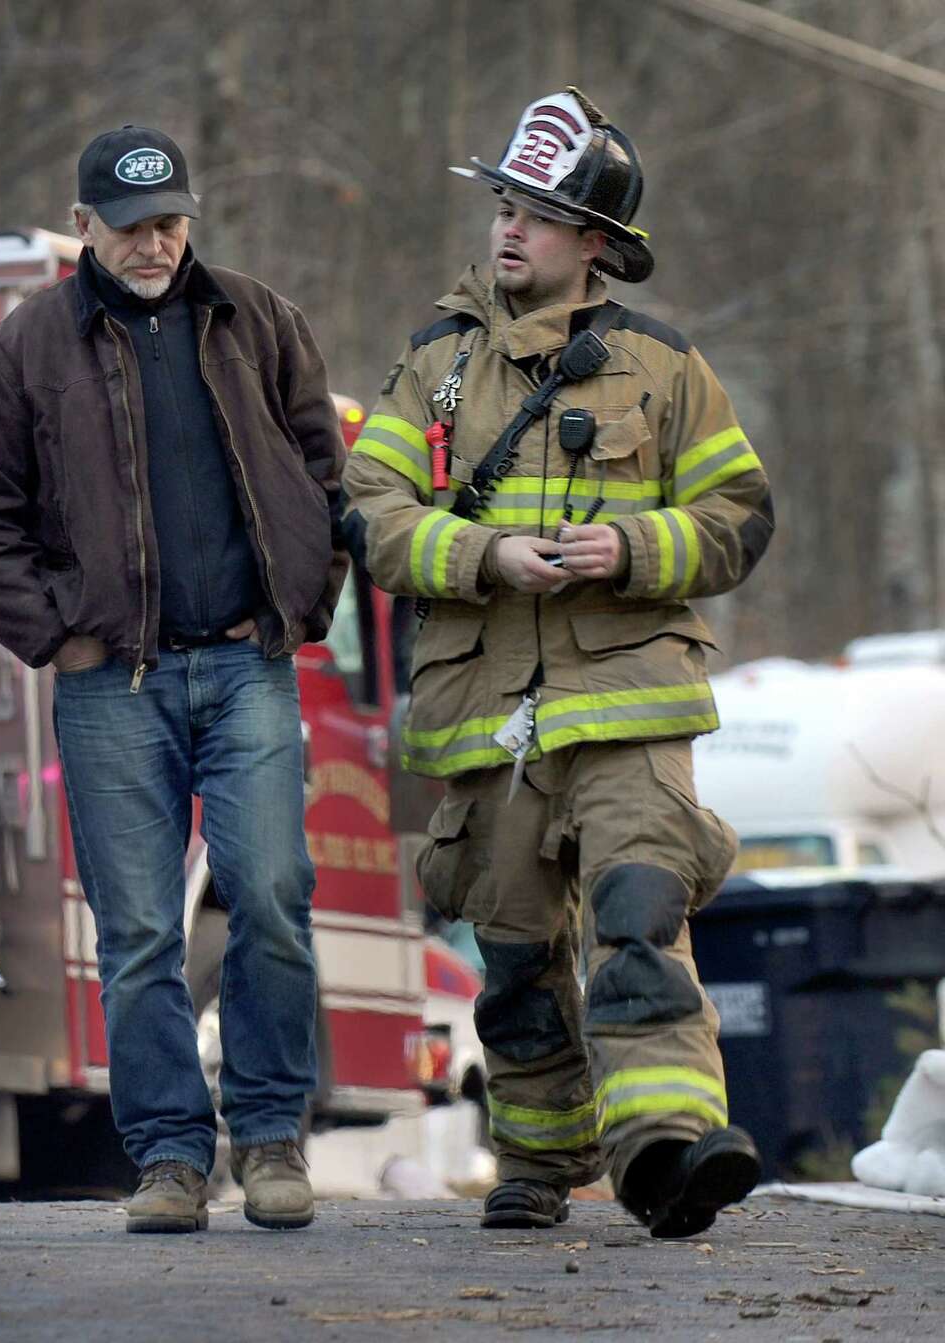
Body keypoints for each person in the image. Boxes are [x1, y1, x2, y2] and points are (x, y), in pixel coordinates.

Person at [343, 89, 774, 1239]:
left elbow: (739, 513)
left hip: (629, 697)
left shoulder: (663, 365)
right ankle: (539, 1158)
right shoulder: (433, 364)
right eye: (503, 205)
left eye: (537, 212)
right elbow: (371, 512)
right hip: (484, 710)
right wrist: (483, 552)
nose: (508, 229)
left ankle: (668, 1145)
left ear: (596, 244)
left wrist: (633, 546)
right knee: (519, 950)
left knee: (639, 908)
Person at [0, 126, 347, 1234]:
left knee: (269, 894)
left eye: (172, 221)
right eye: (133, 226)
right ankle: (169, 1156)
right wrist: (54, 634)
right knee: (139, 934)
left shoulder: (258, 320)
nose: (158, 242)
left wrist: (302, 601)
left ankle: (269, 1139)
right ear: (84, 227)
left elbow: (322, 472)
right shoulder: (21, 351)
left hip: (249, 662)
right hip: (110, 681)